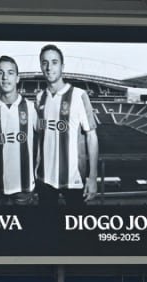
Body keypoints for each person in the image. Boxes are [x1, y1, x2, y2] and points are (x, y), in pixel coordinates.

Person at [34, 44, 99, 206]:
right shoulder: (39, 98)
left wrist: (92, 177)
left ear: (62, 66)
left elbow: (91, 136)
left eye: (54, 62)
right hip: (44, 179)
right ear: (41, 66)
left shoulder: (79, 95)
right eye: (44, 63)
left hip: (74, 180)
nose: (49, 67)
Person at [0, 55, 37, 203]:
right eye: (1, 73)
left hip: (24, 188)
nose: (5, 77)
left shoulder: (31, 108)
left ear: (17, 78)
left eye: (10, 73)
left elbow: (42, 142)